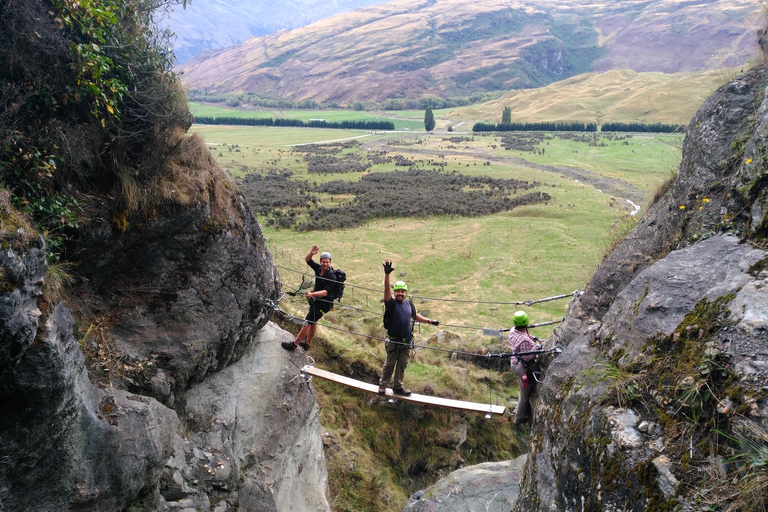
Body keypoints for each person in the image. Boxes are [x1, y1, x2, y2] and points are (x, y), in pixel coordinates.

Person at [378, 259, 439, 396]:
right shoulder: (391, 303)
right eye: (397, 292)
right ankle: (383, 385)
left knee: (402, 364)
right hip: (393, 340)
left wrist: (429, 321)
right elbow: (386, 291)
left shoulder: (409, 305)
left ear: (406, 293)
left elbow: (414, 316)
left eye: (402, 292)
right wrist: (387, 275)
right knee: (389, 364)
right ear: (394, 293)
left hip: (406, 341)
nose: (400, 294)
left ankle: (398, 387)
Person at [282, 245, 336, 352]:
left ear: (330, 262)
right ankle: (307, 344)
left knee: (307, 322)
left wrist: (312, 294)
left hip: (323, 304)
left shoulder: (332, 276)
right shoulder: (319, 269)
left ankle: (294, 344)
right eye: (323, 262)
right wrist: (311, 253)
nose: (325, 264)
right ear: (320, 261)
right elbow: (307, 260)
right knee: (313, 322)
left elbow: (325, 292)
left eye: (327, 262)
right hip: (316, 301)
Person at [508, 310, 541, 424]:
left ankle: (517, 411)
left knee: (522, 390)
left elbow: (524, 337)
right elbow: (528, 357)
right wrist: (537, 347)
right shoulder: (524, 340)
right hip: (523, 368)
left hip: (515, 363)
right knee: (525, 394)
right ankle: (519, 418)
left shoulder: (513, 331)